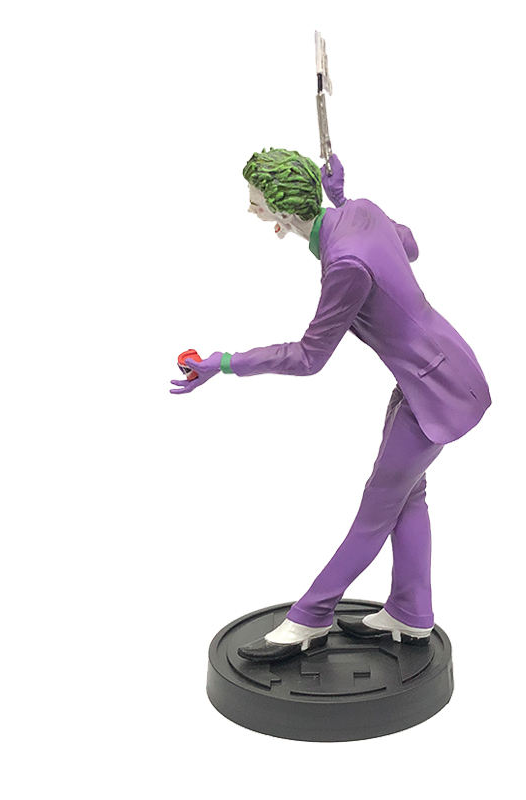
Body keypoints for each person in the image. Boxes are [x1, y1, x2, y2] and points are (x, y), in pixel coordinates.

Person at [170, 148, 491, 662]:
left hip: (438, 390)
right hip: (434, 374)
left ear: (283, 210)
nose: (251, 210)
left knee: (376, 511)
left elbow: (308, 357)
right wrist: (342, 201)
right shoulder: (360, 211)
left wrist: (226, 362)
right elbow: (408, 244)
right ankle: (411, 611)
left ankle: (310, 616)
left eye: (256, 203)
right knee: (407, 497)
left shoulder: (344, 265)